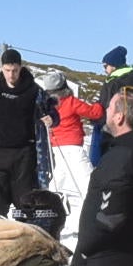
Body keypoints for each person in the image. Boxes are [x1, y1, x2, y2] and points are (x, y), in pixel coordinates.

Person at [75, 84, 133, 264]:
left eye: (109, 107)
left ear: (119, 117)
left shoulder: (123, 155)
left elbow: (111, 215)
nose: (106, 111)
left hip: (104, 263)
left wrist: (88, 249)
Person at [0, 48, 52, 212]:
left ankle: (24, 232)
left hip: (25, 152)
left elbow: (51, 109)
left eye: (15, 70)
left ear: (21, 68)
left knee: (25, 199)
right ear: (1, 68)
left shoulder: (34, 89)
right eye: (7, 70)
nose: (11, 75)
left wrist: (51, 118)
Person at [42, 69, 100, 213]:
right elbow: (94, 113)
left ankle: (46, 203)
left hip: (56, 145)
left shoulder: (46, 105)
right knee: (87, 177)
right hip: (73, 145)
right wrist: (100, 104)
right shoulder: (71, 102)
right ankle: (96, 205)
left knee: (58, 177)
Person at [91, 46, 133, 158]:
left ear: (113, 65)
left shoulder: (113, 82)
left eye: (105, 66)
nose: (104, 69)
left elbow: (106, 105)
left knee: (108, 160)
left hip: (113, 129)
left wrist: (97, 120)